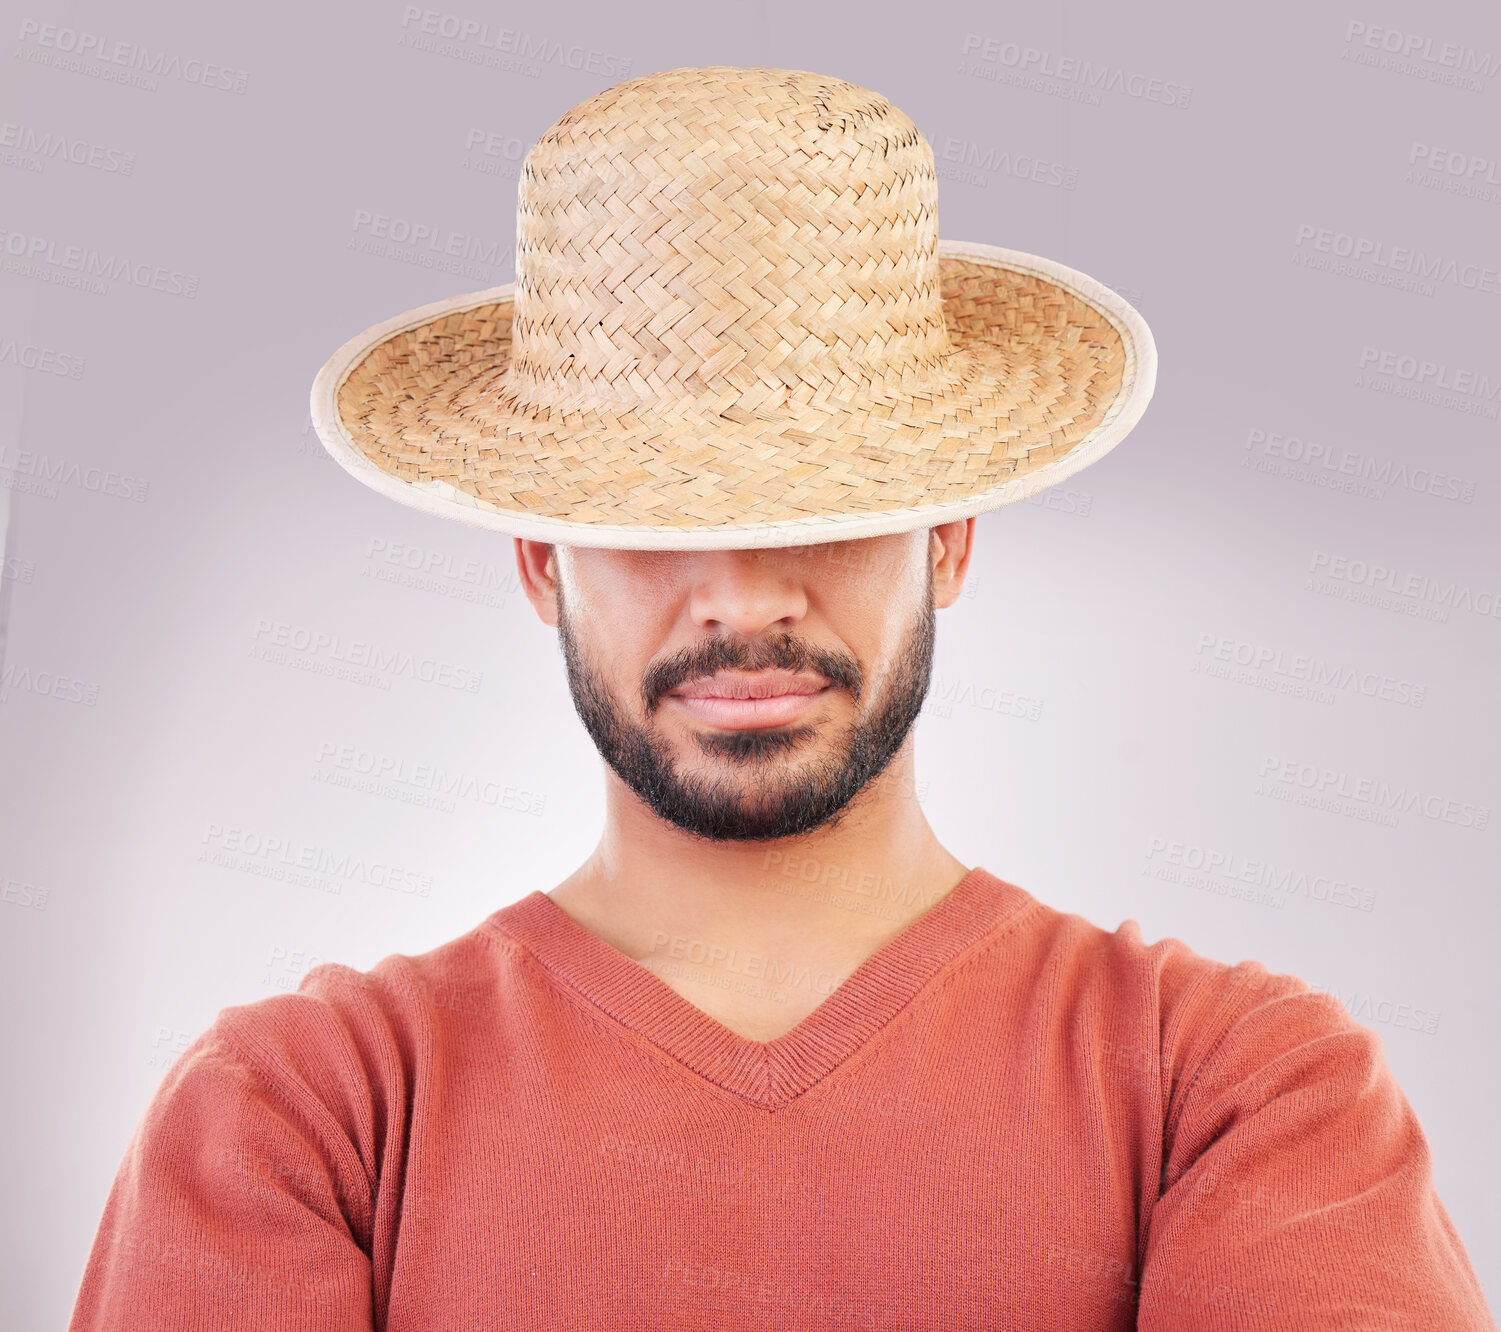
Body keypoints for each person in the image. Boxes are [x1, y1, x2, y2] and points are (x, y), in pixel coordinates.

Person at [68, 65, 1494, 1330]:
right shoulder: (304, 1113)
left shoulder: (1233, 1087)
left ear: (949, 538)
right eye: (645, 520)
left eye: (826, 507)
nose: (742, 598)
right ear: (535, 563)